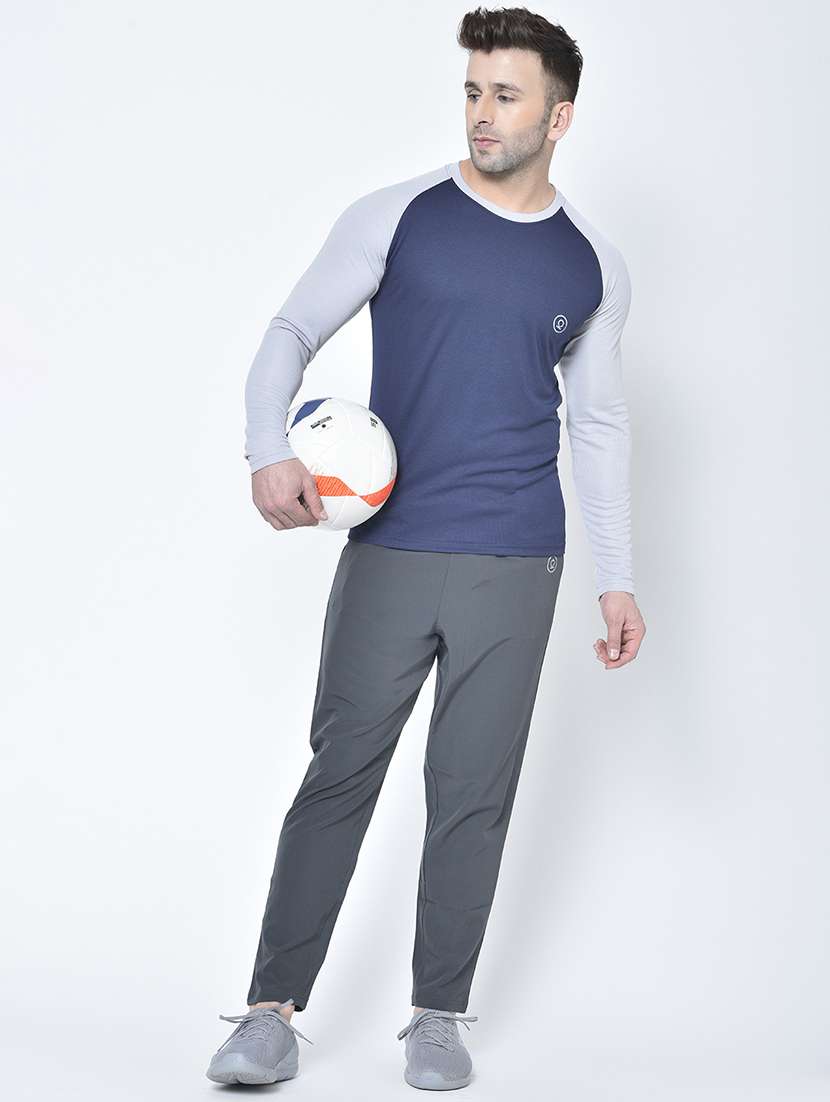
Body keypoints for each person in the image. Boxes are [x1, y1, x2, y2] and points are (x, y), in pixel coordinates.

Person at [206, 5, 646, 1091]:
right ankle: (269, 1011)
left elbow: (597, 424)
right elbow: (289, 332)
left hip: (518, 560)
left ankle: (437, 1015)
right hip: (392, 549)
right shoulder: (396, 216)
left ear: (558, 117)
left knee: (473, 792)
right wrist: (267, 449)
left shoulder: (590, 264)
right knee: (339, 774)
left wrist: (617, 578)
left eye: (506, 95)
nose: (482, 113)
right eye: (473, 91)